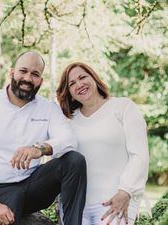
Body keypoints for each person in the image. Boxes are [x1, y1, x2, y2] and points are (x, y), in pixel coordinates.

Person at [0, 51, 87, 225]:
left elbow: (68, 139)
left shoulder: (48, 108)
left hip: (33, 186)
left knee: (74, 160)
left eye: (35, 74)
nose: (28, 78)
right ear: (11, 72)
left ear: (41, 81)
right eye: (23, 71)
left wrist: (40, 148)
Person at [56, 62, 149, 225]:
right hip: (76, 207)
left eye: (82, 77)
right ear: (70, 93)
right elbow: (61, 163)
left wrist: (125, 191)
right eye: (72, 84)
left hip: (116, 201)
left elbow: (139, 155)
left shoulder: (123, 107)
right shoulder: (69, 121)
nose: (79, 84)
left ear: (94, 79)